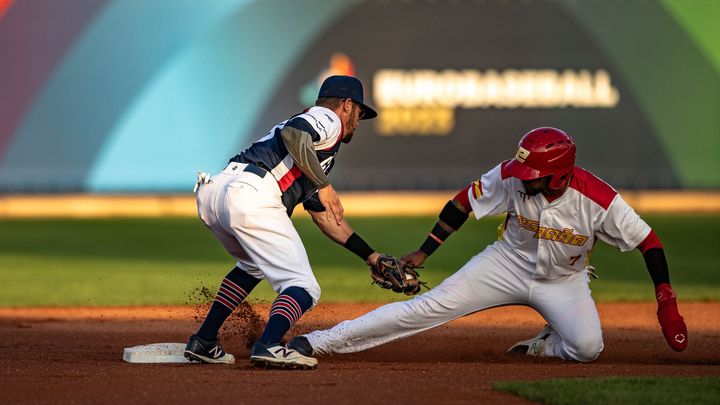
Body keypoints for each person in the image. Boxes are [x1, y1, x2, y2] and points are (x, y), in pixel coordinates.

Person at [287, 127, 688, 364]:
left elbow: (648, 242)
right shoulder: (512, 176)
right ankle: (319, 341)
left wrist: (666, 302)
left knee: (587, 348)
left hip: (564, 281)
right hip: (504, 264)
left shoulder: (599, 200)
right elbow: (462, 203)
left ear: (559, 176)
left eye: (532, 173)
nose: (521, 177)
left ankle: (545, 346)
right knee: (424, 308)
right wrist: (426, 251)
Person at [184, 75, 387, 369]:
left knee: (253, 265)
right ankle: (269, 345)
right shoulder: (328, 119)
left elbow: (326, 218)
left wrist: (371, 256)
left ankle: (203, 341)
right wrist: (325, 184)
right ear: (345, 105)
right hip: (252, 193)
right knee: (303, 285)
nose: (359, 120)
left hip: (218, 192)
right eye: (359, 112)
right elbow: (295, 134)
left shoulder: (313, 154)